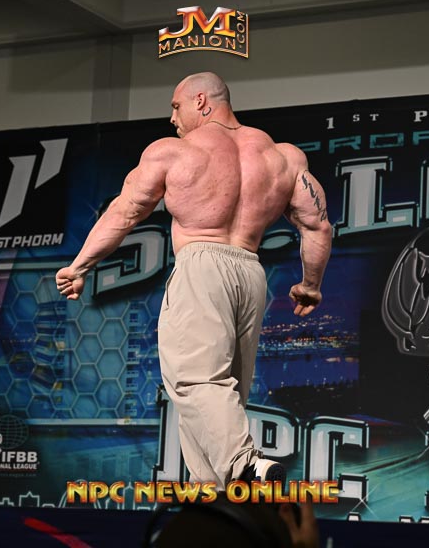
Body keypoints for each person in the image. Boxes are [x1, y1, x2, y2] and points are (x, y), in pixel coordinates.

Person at [56, 72, 332, 489]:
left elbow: (124, 212)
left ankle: (245, 464)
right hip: (251, 273)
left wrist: (79, 266)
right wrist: (310, 284)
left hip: (202, 266)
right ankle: (214, 496)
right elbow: (318, 226)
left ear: (201, 101)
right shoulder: (283, 157)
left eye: (176, 106)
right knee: (221, 395)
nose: (172, 118)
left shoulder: (173, 152)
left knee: (195, 379)